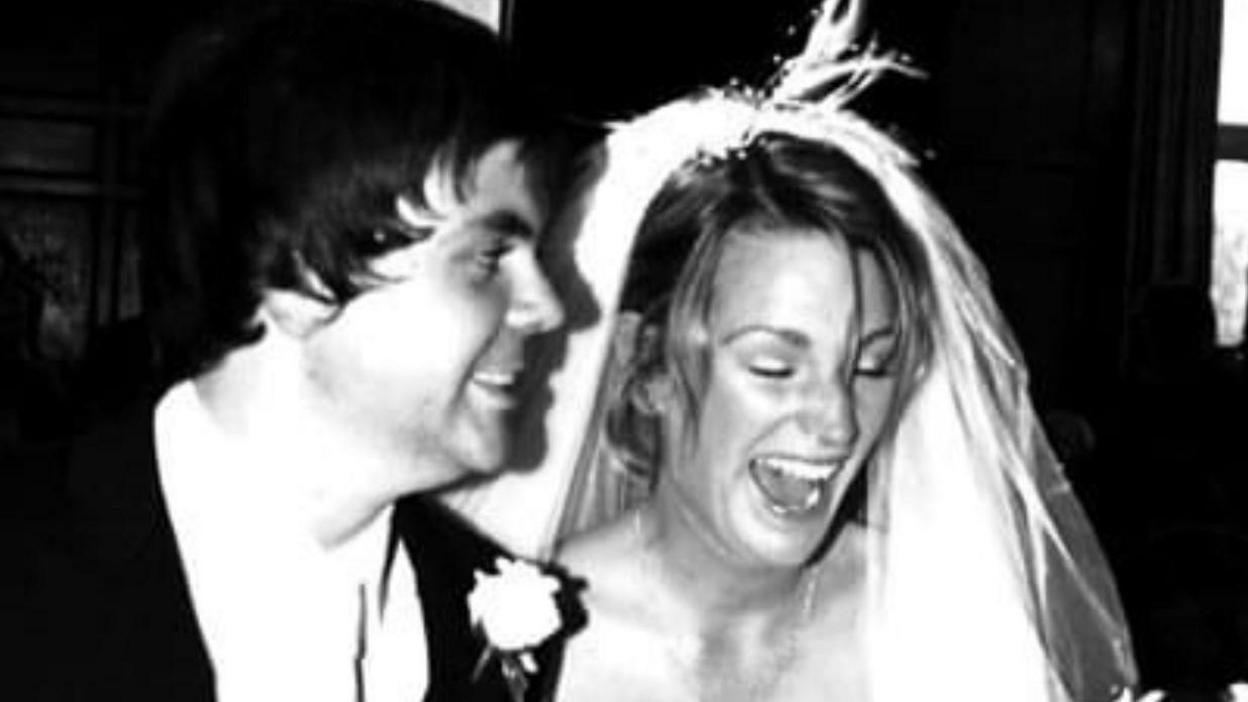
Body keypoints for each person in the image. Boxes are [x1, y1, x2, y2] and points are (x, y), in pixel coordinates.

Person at [454, 1, 1139, 699]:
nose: (837, 422)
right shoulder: (517, 634)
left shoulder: (942, 621)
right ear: (650, 366)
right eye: (774, 367)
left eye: (871, 365)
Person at [8, 0, 573, 699]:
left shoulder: (478, 614)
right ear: (302, 276)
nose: (545, 306)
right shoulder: (22, 566)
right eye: (489, 256)